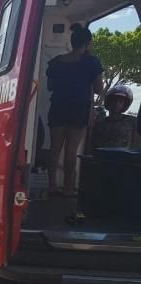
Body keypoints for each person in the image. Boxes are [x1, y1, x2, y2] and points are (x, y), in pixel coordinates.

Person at [46, 23, 104, 197]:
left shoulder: (56, 62)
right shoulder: (92, 62)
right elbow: (99, 89)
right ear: (87, 43)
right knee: (71, 151)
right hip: (79, 110)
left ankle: (51, 186)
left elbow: (50, 86)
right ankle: (68, 189)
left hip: (57, 107)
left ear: (72, 42)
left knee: (54, 148)